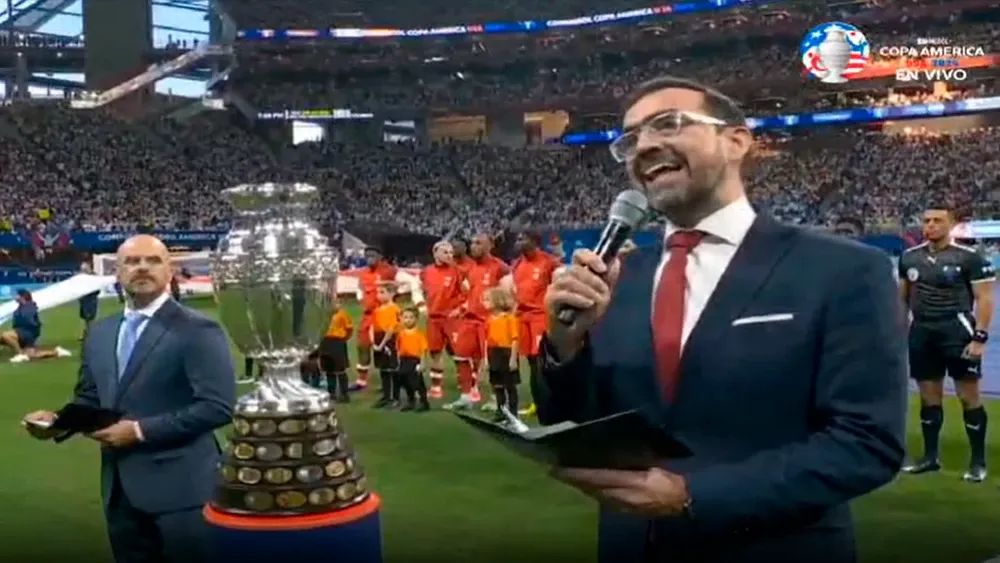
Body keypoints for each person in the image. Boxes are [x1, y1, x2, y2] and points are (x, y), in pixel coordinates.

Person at [535, 76, 907, 563]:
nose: (644, 145)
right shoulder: (617, 279)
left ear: (736, 141)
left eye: (668, 124)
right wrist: (565, 345)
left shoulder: (844, 270)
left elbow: (866, 443)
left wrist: (693, 495)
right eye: (630, 139)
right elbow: (576, 426)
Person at [22, 234, 236, 563]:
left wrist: (138, 431)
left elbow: (217, 407)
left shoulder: (198, 329)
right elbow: (90, 398)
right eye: (132, 262)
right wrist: (57, 423)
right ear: (118, 273)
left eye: (153, 260)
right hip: (120, 494)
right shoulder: (100, 332)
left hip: (184, 494)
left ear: (169, 272)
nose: (142, 268)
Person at [898, 205, 995, 482]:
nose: (931, 225)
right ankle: (930, 458)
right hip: (922, 332)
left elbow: (985, 299)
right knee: (929, 397)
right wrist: (899, 330)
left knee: (968, 397)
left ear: (951, 224)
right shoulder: (909, 258)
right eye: (927, 220)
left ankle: (977, 462)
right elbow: (902, 299)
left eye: (938, 220)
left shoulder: (970, 258)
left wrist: (980, 338)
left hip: (957, 332)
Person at [451, 233, 510, 411]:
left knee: (493, 362)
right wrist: (461, 309)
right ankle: (466, 397)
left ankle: (496, 398)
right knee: (460, 356)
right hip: (469, 320)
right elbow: (470, 294)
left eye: (478, 243)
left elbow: (508, 296)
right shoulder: (469, 268)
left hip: (490, 322)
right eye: (472, 242)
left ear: (490, 245)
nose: (473, 246)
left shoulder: (500, 268)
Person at [507, 231, 561, 417]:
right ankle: (536, 402)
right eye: (518, 239)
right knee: (531, 362)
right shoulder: (517, 264)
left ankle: (551, 401)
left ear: (534, 241)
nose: (518, 242)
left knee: (542, 361)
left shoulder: (549, 262)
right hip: (523, 318)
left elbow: (560, 284)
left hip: (541, 316)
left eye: (522, 239)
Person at [419, 240, 467, 401]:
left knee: (458, 352)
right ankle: (436, 387)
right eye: (445, 252)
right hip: (433, 319)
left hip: (451, 319)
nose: (449, 255)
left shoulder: (458, 272)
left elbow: (469, 294)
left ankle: (467, 383)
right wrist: (421, 306)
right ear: (435, 253)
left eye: (451, 252)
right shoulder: (426, 271)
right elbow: (419, 290)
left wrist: (459, 310)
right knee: (435, 353)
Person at [354, 247, 398, 390]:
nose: (369, 258)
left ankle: (388, 380)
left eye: (373, 255)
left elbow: (404, 281)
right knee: (362, 346)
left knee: (386, 347)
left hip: (383, 315)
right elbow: (360, 289)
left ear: (380, 256)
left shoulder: (388, 270)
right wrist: (362, 300)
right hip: (367, 316)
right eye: (367, 255)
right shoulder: (363, 273)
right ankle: (362, 380)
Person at [482, 287, 520, 424]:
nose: (483, 302)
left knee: (510, 386)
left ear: (497, 301)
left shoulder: (510, 319)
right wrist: (486, 359)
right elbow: (486, 340)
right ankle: (501, 411)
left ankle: (513, 414)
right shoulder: (489, 320)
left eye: (487, 299)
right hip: (494, 353)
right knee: (497, 385)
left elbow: (515, 339)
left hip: (507, 353)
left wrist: (513, 359)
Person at [2, 289, 71, 363]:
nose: (15, 297)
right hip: (21, 332)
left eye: (17, 295)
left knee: (6, 335)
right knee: (31, 355)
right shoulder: (21, 307)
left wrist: (34, 325)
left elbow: (30, 320)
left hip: (27, 333)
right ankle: (57, 352)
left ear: (22, 297)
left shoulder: (29, 306)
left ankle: (20, 354)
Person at [371, 282, 402, 409]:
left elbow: (391, 329)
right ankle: (386, 396)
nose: (379, 295)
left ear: (392, 294)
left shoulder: (394, 309)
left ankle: (395, 398)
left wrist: (382, 344)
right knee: (383, 369)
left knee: (392, 369)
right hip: (379, 339)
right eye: (378, 292)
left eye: (382, 292)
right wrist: (374, 342)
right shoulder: (377, 310)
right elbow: (373, 326)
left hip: (389, 340)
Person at [396, 306, 431, 412]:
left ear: (416, 319)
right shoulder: (401, 334)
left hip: (414, 361)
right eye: (405, 317)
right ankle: (411, 401)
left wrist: (423, 363)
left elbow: (423, 350)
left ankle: (424, 402)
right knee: (405, 381)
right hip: (404, 360)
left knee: (417, 382)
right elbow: (398, 348)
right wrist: (398, 362)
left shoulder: (419, 335)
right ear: (401, 319)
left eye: (411, 317)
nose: (408, 320)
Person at [320, 298, 353, 403]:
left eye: (337, 303)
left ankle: (344, 394)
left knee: (340, 369)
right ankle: (331, 393)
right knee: (329, 369)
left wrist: (343, 339)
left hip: (337, 341)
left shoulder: (343, 315)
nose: (334, 305)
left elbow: (349, 328)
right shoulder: (324, 315)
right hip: (325, 341)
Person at [79, 261, 100, 340]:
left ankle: (91, 334)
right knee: (84, 318)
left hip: (91, 299)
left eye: (85, 268)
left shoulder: (94, 276)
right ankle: (85, 333)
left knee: (91, 318)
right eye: (82, 269)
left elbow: (97, 289)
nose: (83, 270)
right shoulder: (81, 277)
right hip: (83, 300)